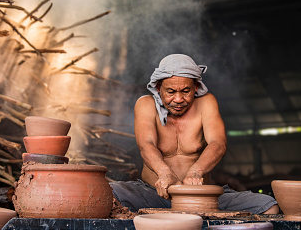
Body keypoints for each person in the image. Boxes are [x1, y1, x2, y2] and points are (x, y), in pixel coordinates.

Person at [110, 54, 279, 214]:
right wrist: (164, 173)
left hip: (201, 197)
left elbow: (218, 143)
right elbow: (146, 145)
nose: (178, 99)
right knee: (107, 196)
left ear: (196, 87)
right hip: (154, 195)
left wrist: (196, 172)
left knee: (268, 207)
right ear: (159, 88)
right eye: (170, 92)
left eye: (185, 91)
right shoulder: (145, 104)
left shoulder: (206, 103)